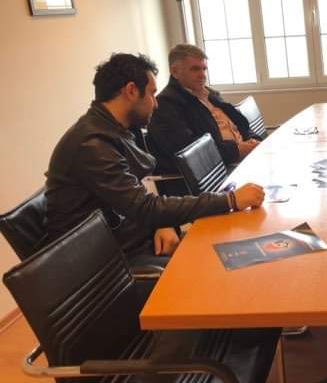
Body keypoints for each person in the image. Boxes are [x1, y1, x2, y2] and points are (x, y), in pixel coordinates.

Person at [45, 52, 265, 267]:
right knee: (217, 264)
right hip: (100, 262)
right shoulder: (93, 144)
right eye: (152, 94)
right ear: (132, 91)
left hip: (125, 237)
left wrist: (161, 223)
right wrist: (230, 200)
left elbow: (137, 194)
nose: (156, 103)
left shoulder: (119, 128)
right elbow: (143, 208)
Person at [147, 44, 263, 174]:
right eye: (195, 69)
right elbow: (192, 151)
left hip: (242, 160)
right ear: (174, 71)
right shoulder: (166, 105)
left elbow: (239, 125)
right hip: (219, 171)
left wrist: (255, 141)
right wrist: (236, 151)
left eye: (204, 69)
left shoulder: (210, 94)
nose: (202, 75)